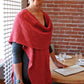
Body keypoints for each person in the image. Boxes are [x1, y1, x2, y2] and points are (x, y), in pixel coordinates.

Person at [9, 0, 67, 84]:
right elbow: (16, 51)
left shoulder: (46, 17)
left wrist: (55, 61)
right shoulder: (21, 17)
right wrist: (18, 79)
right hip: (27, 70)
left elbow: (46, 43)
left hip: (43, 67)